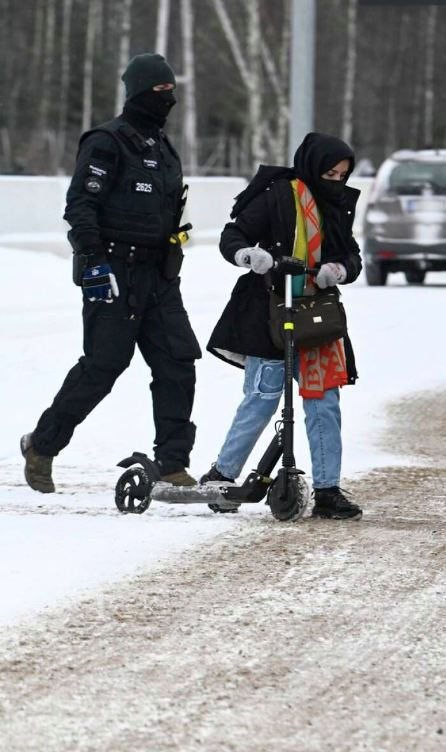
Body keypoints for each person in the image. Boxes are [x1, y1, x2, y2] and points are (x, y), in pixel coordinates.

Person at [21, 53, 200, 493]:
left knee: (178, 363)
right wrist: (95, 264)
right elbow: (80, 206)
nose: (168, 98)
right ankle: (42, 446)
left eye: (171, 90)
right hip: (113, 270)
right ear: (139, 92)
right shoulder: (107, 141)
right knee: (104, 365)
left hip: (158, 276)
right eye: (160, 90)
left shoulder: (164, 149)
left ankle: (173, 463)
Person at [199, 133, 363, 520]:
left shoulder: (338, 204)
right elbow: (233, 234)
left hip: (317, 315)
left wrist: (338, 269)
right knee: (263, 396)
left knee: (323, 403)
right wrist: (248, 254)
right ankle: (222, 474)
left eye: (342, 175)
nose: (336, 181)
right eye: (330, 173)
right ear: (311, 166)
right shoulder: (277, 194)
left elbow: (351, 255)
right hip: (267, 311)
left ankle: (327, 490)